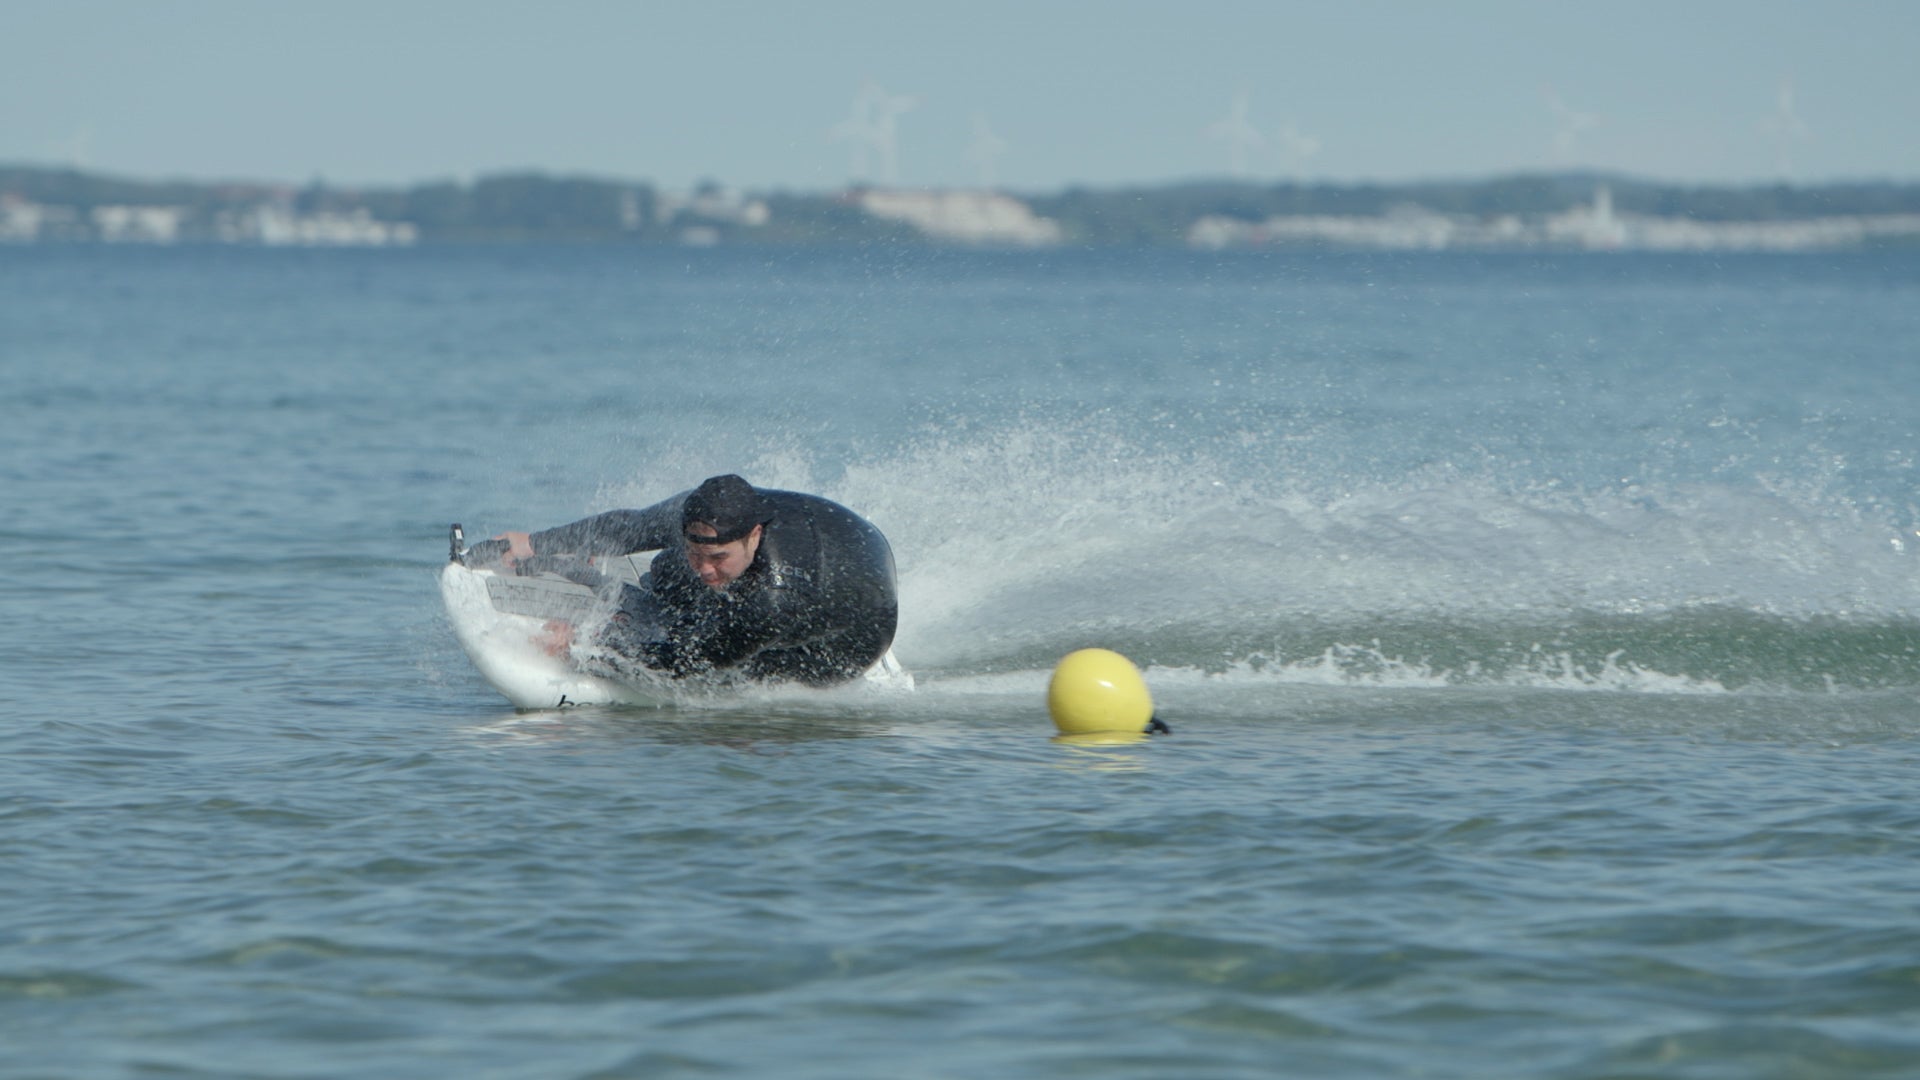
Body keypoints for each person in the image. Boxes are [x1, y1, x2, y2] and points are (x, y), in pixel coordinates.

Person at [464, 475, 898, 687]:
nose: (705, 567)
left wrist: (586, 648)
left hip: (842, 642)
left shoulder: (775, 601)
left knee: (703, 648)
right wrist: (534, 544)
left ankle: (621, 623)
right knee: (673, 569)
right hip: (833, 549)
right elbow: (631, 527)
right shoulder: (708, 512)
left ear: (755, 535)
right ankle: (646, 606)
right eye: (699, 553)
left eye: (717, 557)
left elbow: (683, 664)